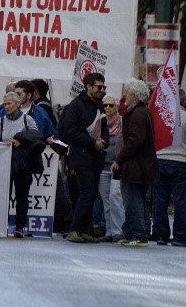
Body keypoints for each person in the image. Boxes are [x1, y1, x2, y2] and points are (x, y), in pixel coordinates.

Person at [62, 72, 108, 243]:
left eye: (104, 87)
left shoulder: (99, 106)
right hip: (81, 156)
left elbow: (104, 128)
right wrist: (92, 143)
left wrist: (104, 141)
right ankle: (75, 229)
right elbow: (70, 131)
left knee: (91, 193)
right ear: (88, 86)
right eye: (99, 87)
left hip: (96, 157)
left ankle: (86, 230)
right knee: (87, 192)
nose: (102, 90)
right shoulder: (76, 105)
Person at [112, 79, 159, 247]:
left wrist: (119, 158)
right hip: (141, 166)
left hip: (135, 166)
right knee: (135, 201)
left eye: (127, 93)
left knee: (133, 202)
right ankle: (132, 233)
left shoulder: (137, 113)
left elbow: (135, 142)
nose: (125, 97)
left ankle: (137, 235)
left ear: (134, 95)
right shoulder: (142, 111)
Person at [152, 91, 186, 247]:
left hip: (160, 161)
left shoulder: (159, 116)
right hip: (180, 163)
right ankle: (179, 236)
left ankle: (161, 234)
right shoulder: (185, 117)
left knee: (160, 201)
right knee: (181, 202)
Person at [0, 91, 38, 238]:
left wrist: (20, 141)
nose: (7, 107)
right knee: (3, 195)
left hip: (23, 164)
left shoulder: (27, 119)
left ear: (18, 104)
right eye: (5, 104)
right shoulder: (1, 121)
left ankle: (19, 227)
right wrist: (2, 144)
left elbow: (36, 137)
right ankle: (3, 224)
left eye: (9, 103)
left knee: (22, 196)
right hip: (5, 164)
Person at [96, 96, 124, 242]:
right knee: (106, 200)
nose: (107, 108)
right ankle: (109, 231)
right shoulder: (99, 124)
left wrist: (120, 160)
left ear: (117, 107)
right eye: (105, 105)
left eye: (111, 105)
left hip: (117, 166)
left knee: (116, 198)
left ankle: (119, 231)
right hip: (103, 166)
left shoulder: (122, 123)